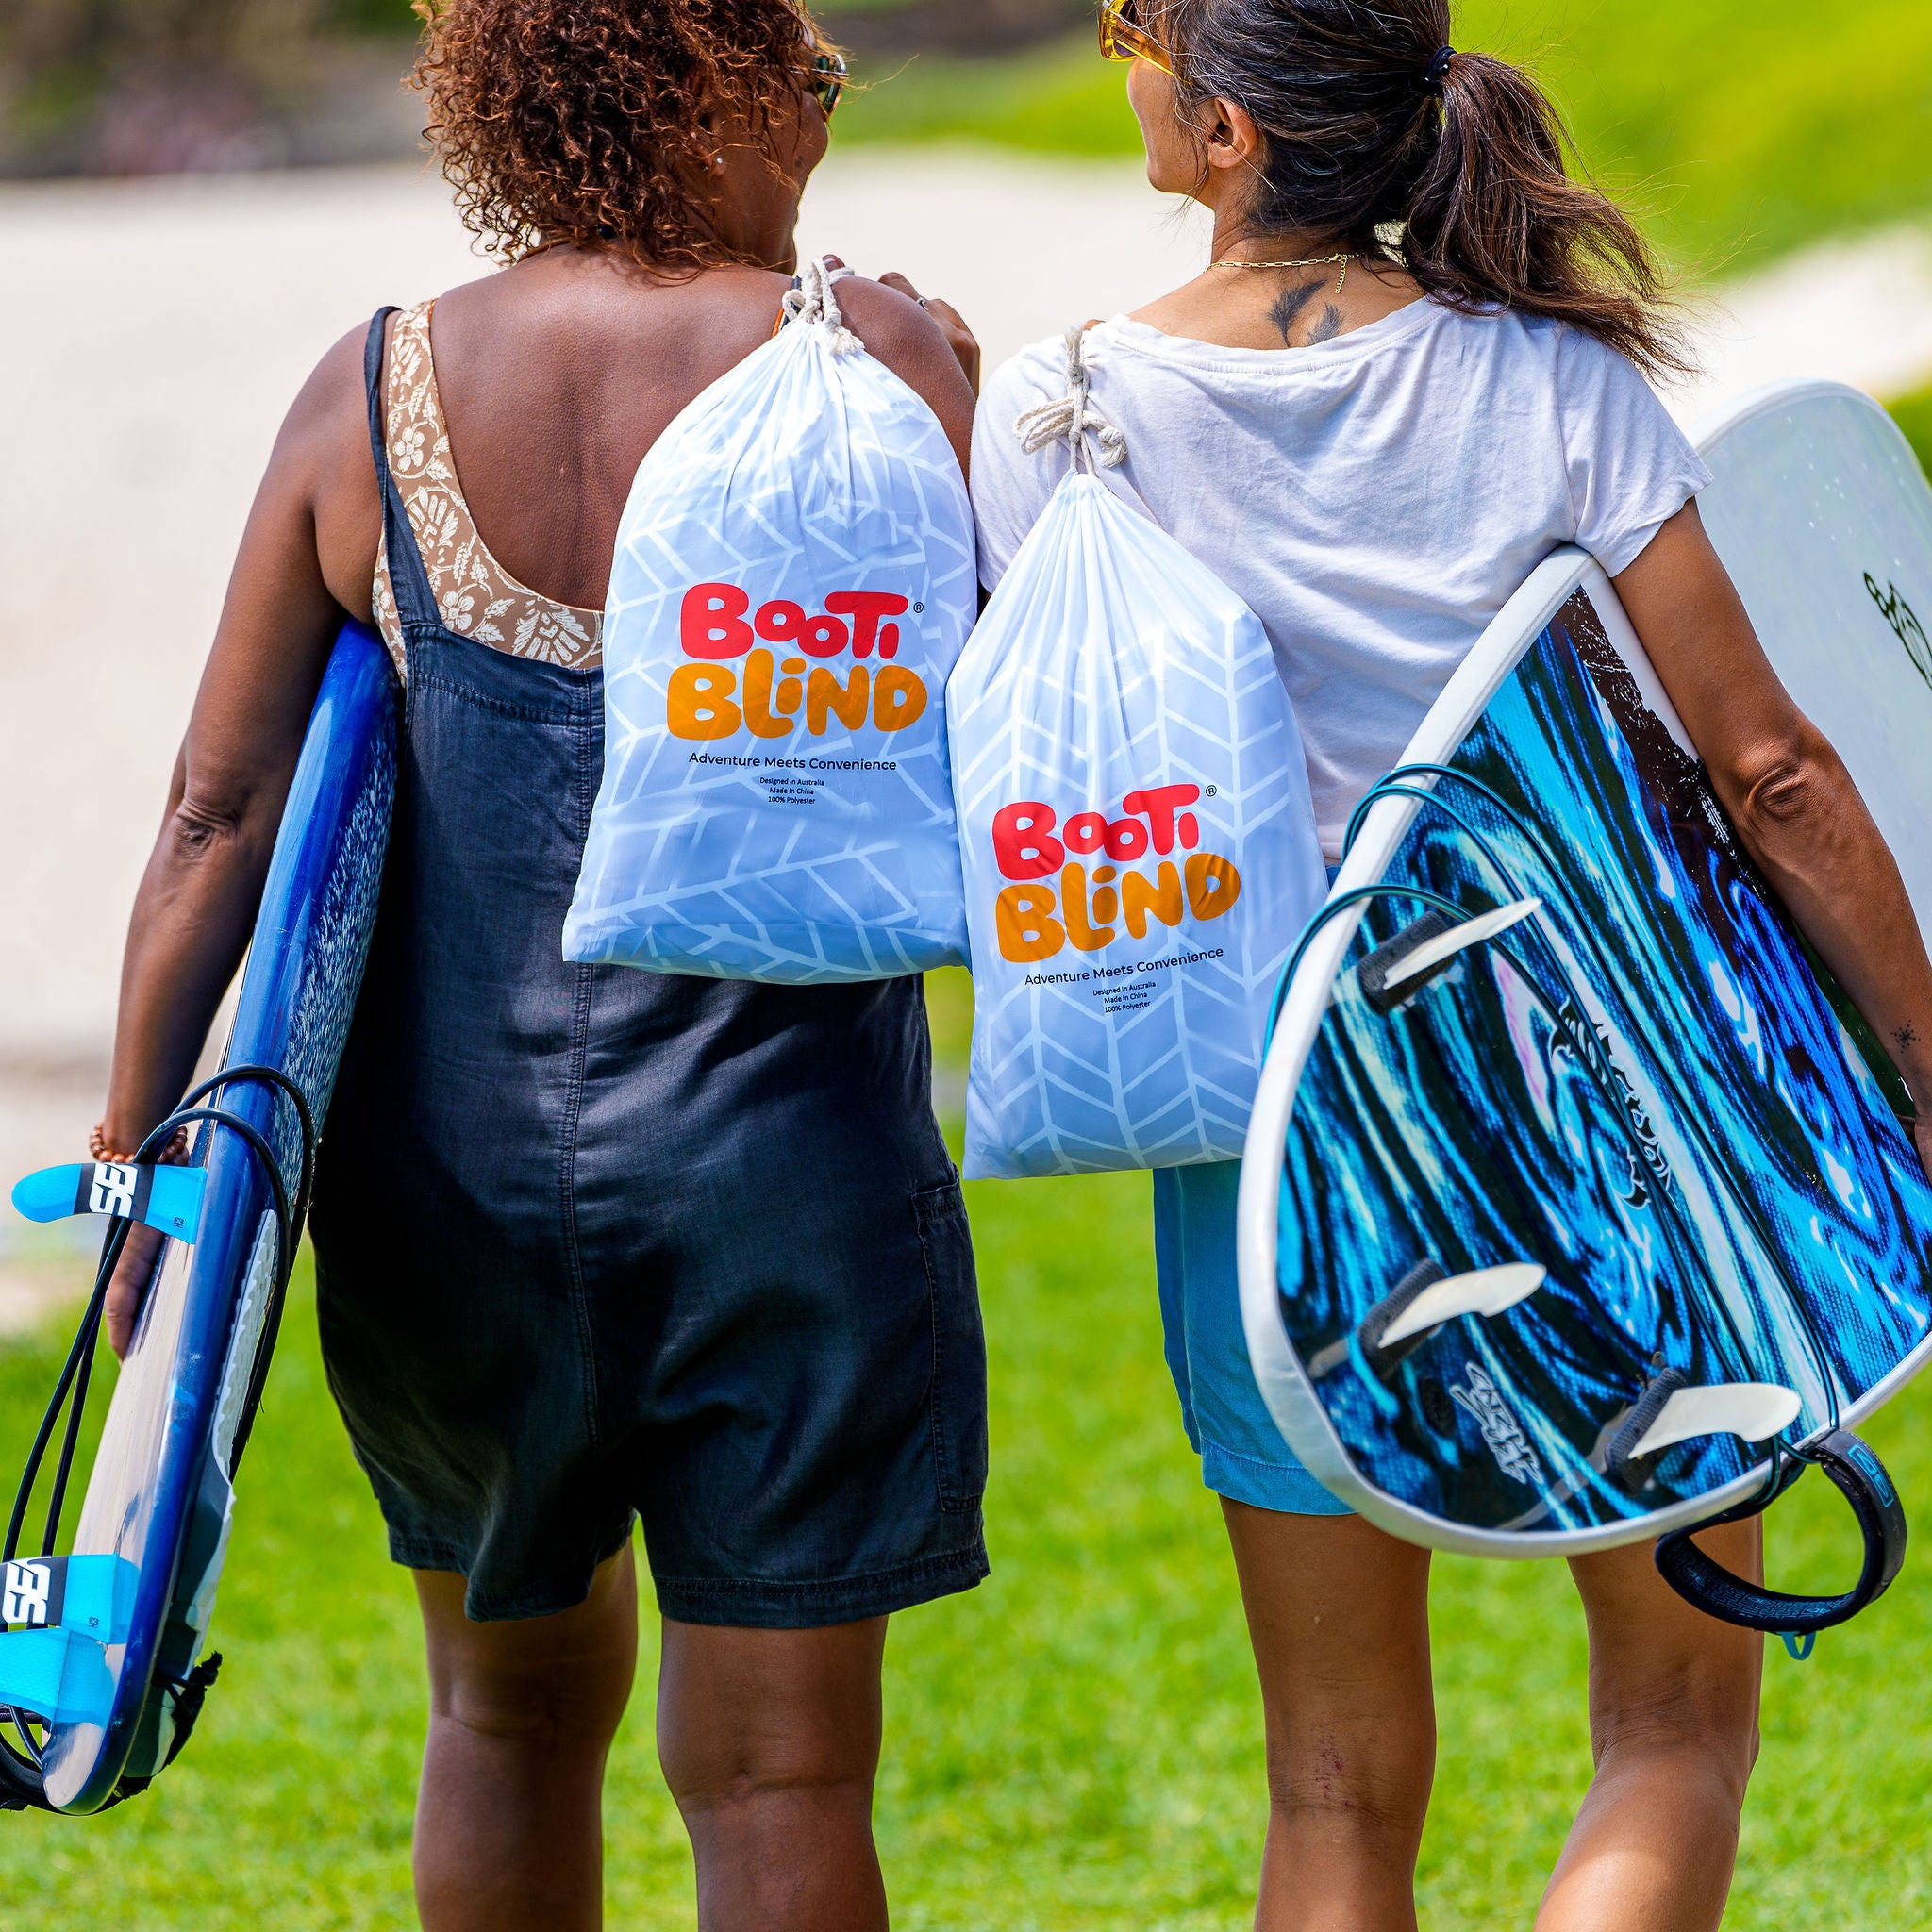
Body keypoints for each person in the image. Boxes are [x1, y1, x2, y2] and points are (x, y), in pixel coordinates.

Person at [970, 4, 1932, 1928]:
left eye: (1131, 31)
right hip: (1624, 1099)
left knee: (1331, 1789)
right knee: (1672, 1725)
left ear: (1225, 126)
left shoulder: (1066, 415)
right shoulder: (1546, 388)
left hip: (1283, 1151)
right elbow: (1769, 769)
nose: (1119, 58)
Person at [95, 3, 987, 1927]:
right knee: (780, 1770)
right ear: (706, 91)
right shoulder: (875, 364)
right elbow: (977, 734)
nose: (824, 126)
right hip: (790, 1173)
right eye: (808, 82)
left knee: (500, 1721)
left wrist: (128, 1176)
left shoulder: (378, 389)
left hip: (447, 1183)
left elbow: (215, 814)